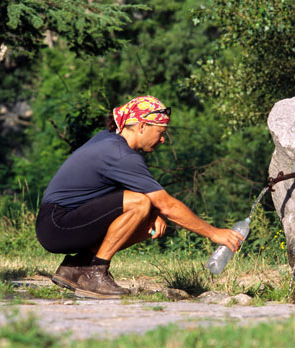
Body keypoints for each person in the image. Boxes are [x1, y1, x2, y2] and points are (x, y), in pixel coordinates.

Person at [35, 96, 244, 299]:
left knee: (149, 218)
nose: (162, 139)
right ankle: (95, 272)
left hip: (60, 221)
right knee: (142, 204)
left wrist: (153, 213)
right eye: (160, 132)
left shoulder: (108, 140)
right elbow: (168, 206)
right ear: (142, 126)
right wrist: (214, 233)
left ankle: (77, 267)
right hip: (56, 224)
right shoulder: (120, 154)